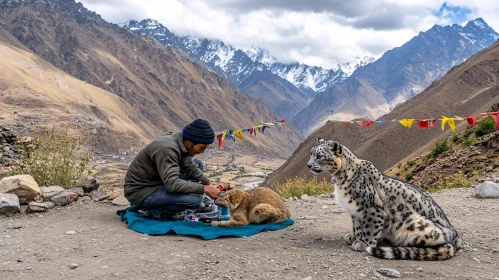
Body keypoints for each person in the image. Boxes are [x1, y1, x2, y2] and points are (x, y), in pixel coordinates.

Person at [124, 119, 221, 220]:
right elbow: (172, 184)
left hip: (158, 182)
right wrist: (204, 189)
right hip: (141, 192)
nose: (202, 151)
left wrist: (208, 183)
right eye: (201, 147)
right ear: (189, 142)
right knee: (194, 200)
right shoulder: (167, 148)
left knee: (198, 165)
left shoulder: (182, 141)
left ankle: (172, 201)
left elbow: (190, 166)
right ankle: (154, 211)